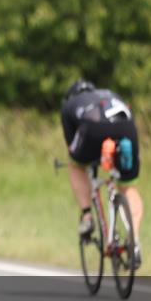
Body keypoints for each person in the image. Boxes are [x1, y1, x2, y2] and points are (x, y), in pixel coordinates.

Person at [61, 79, 144, 268]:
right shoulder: (110, 93)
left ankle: (87, 216)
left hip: (92, 126)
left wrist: (88, 159)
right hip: (127, 127)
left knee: (75, 166)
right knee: (128, 186)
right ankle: (134, 239)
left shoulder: (69, 106)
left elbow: (72, 145)